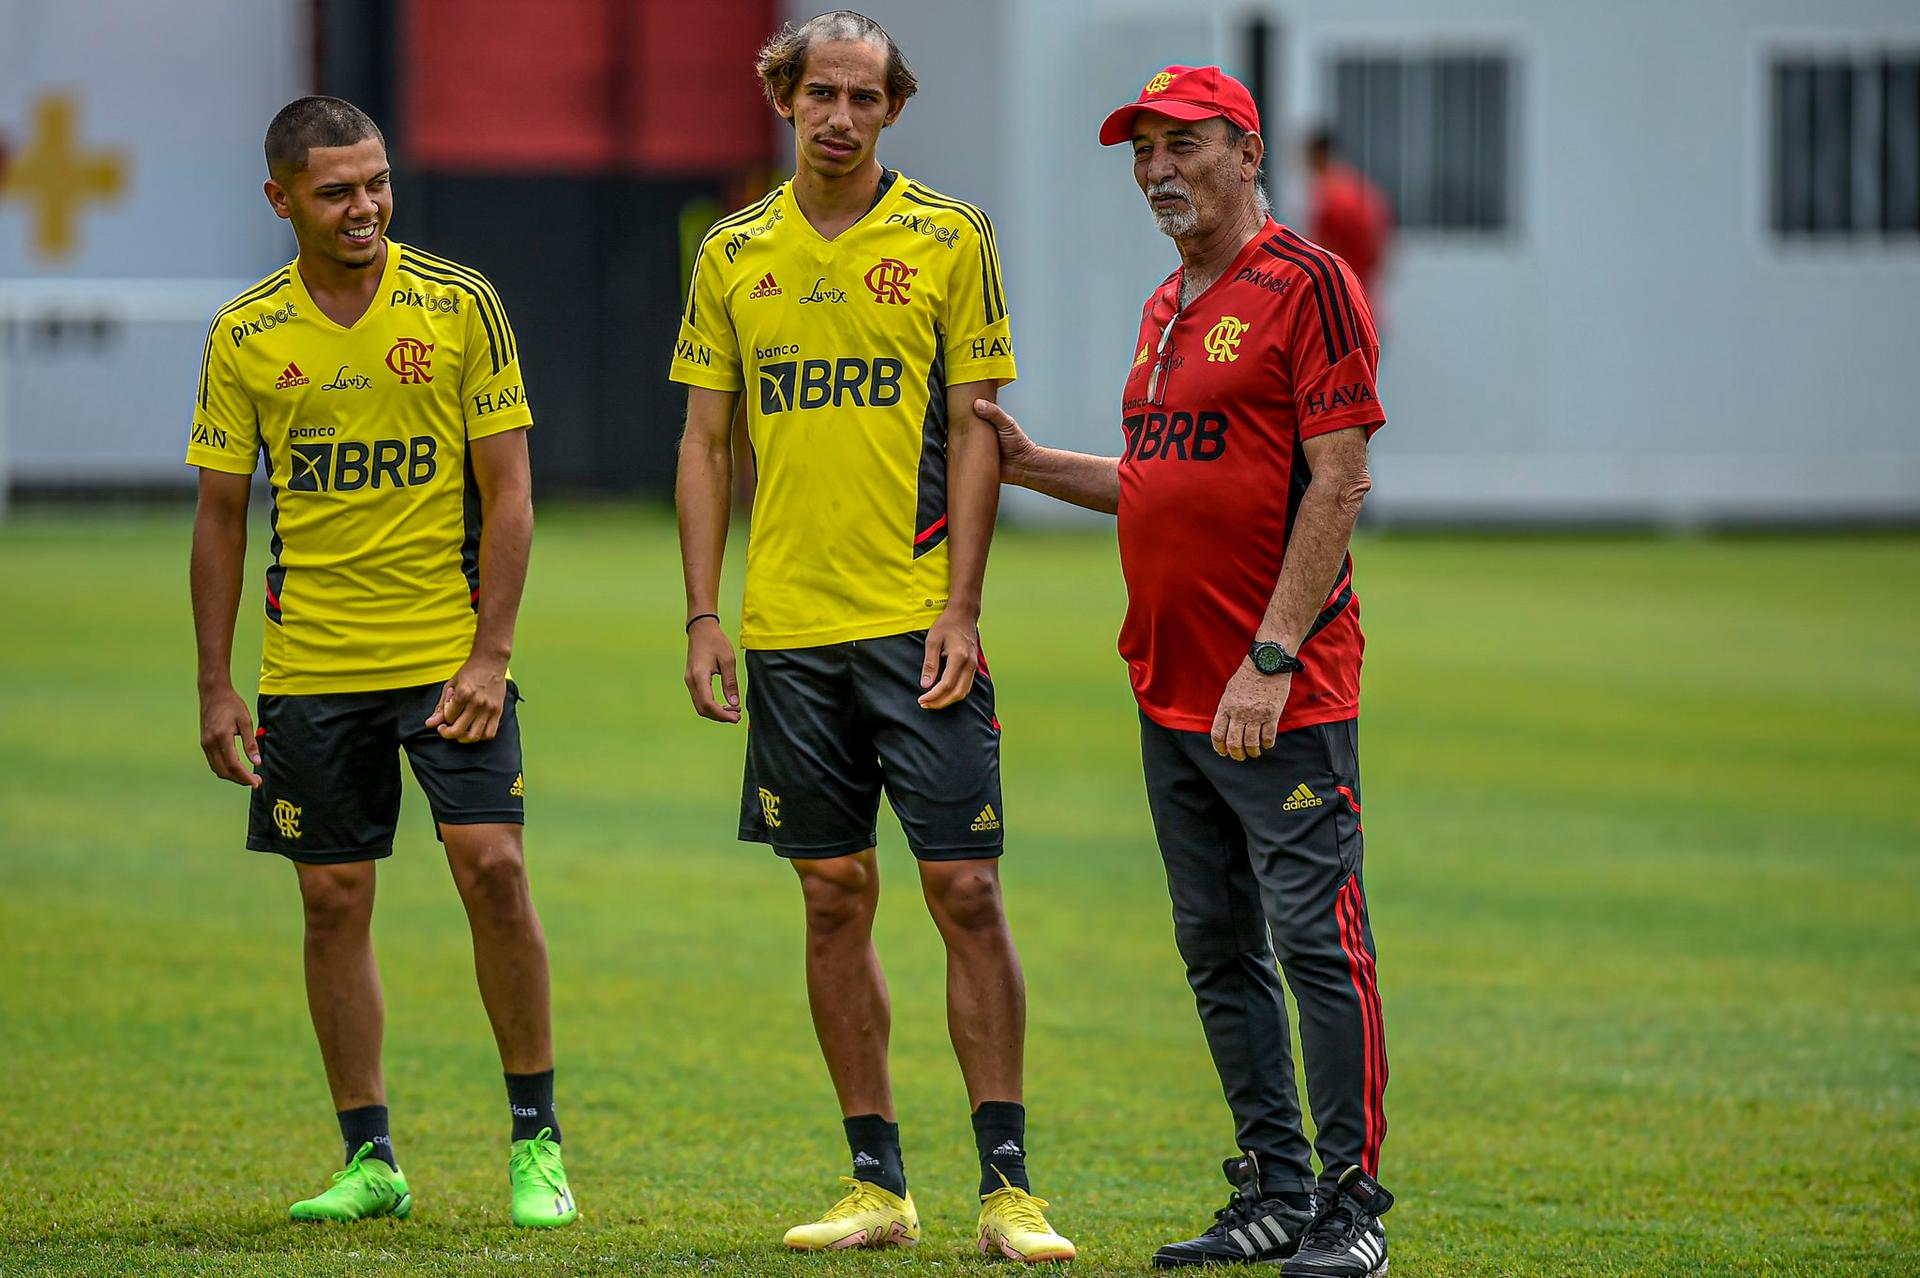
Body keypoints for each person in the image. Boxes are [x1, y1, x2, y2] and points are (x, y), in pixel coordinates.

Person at [974, 66, 1394, 1277]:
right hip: (1169, 691)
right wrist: (1029, 461)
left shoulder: (1309, 285)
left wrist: (1270, 656)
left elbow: (1339, 479)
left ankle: (1351, 1209)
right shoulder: (1166, 305)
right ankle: (1271, 1188)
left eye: (1183, 145)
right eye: (1142, 149)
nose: (1158, 168)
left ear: (1246, 150)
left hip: (1281, 695)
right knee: (1218, 950)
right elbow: (1160, 480)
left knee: (1320, 946)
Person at [669, 10, 1072, 1263]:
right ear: (782, 99)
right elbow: (705, 441)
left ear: (893, 108)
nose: (841, 116)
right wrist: (702, 613)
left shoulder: (950, 239)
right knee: (833, 896)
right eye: (820, 94)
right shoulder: (734, 251)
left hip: (914, 628)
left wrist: (962, 604)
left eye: (864, 96)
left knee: (966, 889)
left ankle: (1008, 1188)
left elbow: (977, 430)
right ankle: (876, 1184)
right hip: (788, 636)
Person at [187, 96, 577, 1229]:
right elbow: (219, 518)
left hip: (445, 658)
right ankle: (371, 1158)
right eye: (335, 191)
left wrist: (490, 654)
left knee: (493, 870)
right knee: (330, 902)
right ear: (281, 200)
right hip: (309, 669)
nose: (364, 208)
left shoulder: (459, 306)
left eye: (376, 184)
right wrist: (218, 683)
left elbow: (509, 491)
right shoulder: (245, 334)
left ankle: (537, 1139)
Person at [1304, 127, 1392, 301]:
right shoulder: (1359, 187)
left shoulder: (1329, 195)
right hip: (1363, 289)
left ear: (1318, 155)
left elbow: (1320, 248)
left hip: (1337, 292)